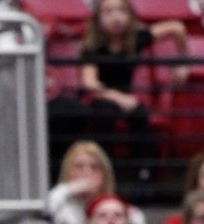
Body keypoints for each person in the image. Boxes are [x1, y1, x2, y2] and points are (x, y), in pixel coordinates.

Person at [76, 0, 185, 150]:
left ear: (130, 16)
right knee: (105, 112)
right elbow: (90, 83)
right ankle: (105, 166)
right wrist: (119, 98)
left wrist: (183, 62)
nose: (116, 17)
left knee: (139, 113)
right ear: (98, 20)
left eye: (121, 11)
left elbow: (176, 28)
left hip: (126, 97)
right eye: (108, 12)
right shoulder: (92, 46)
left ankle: (143, 170)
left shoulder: (136, 38)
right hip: (99, 97)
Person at [45, 141, 154, 224]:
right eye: (79, 167)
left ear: (105, 176)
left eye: (95, 168)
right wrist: (69, 188)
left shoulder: (130, 214)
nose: (87, 173)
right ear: (67, 172)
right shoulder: (59, 207)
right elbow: (45, 211)